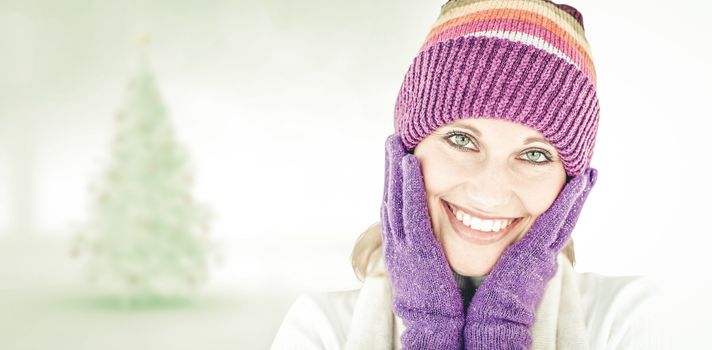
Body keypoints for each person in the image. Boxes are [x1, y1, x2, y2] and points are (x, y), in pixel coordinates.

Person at [272, 0, 666, 349]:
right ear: (404, 157)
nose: (490, 191)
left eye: (534, 154)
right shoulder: (319, 329)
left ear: (571, 191)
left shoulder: (623, 318)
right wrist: (429, 331)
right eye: (461, 139)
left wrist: (503, 331)